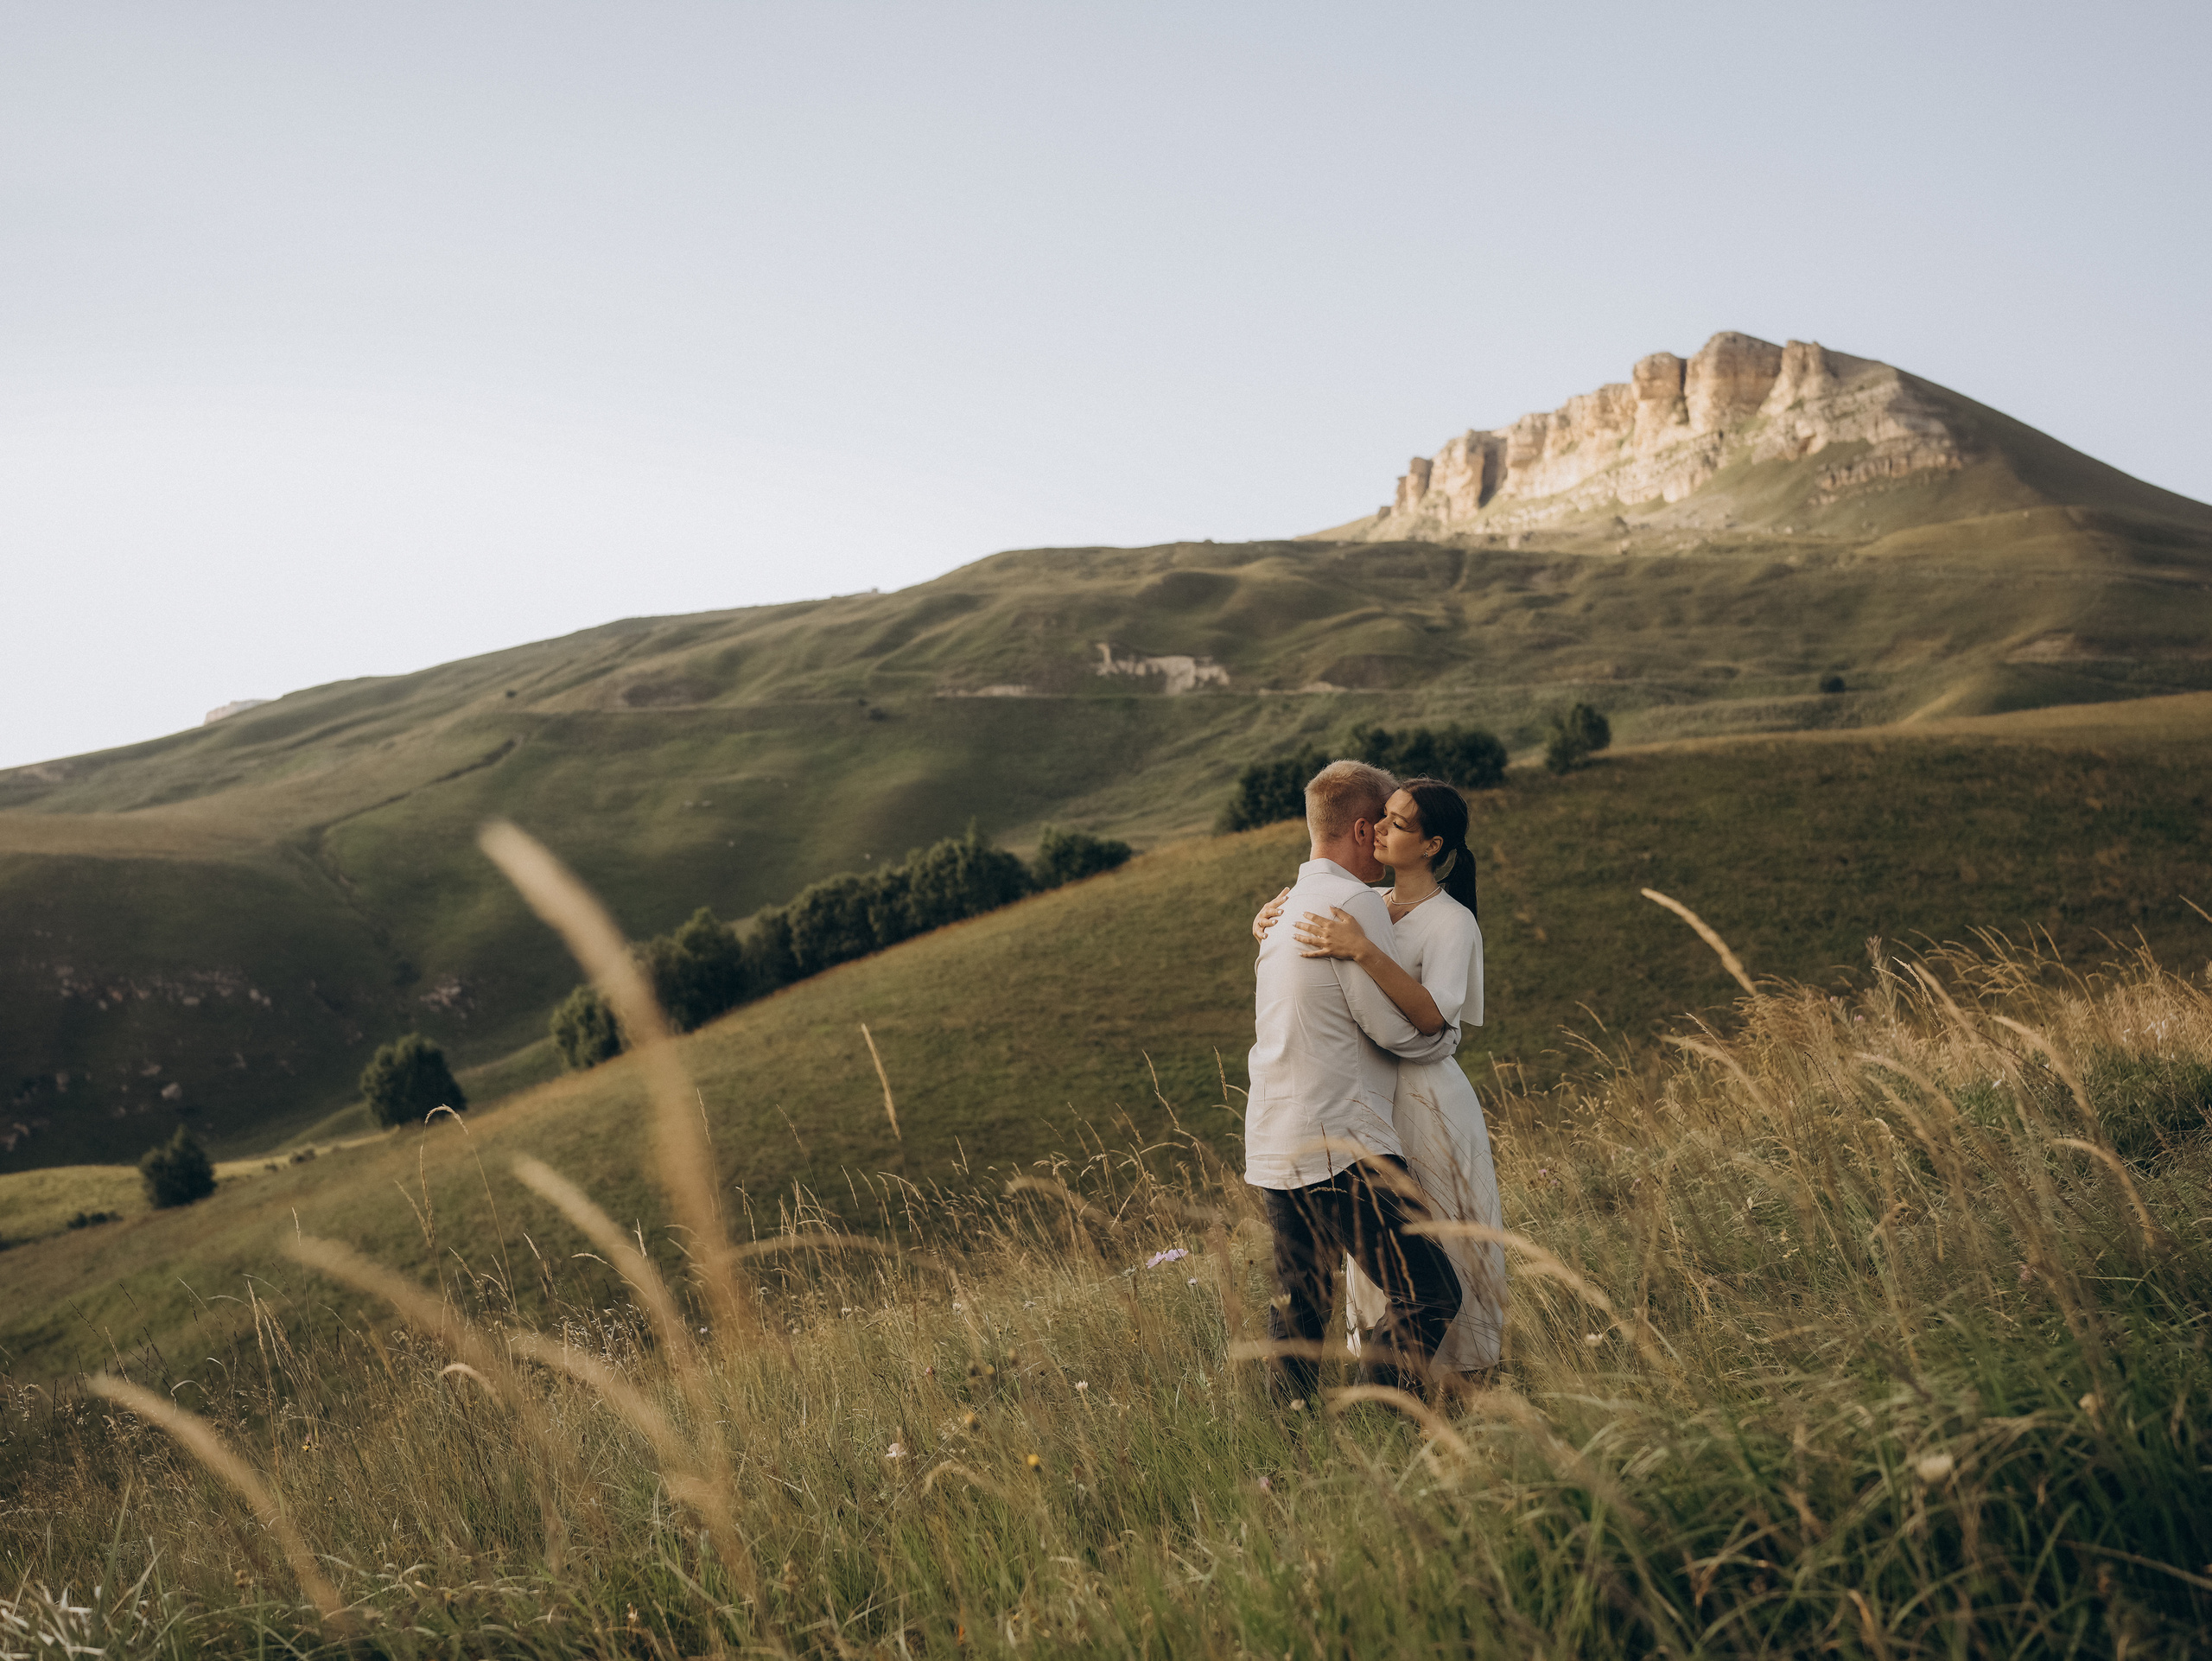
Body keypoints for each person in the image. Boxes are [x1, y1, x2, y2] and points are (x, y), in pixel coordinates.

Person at [1254, 776, 1503, 1376]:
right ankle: (1391, 1384)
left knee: (1443, 1235)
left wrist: (1362, 950)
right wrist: (1270, 929)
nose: (1382, 832)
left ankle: (1454, 1376)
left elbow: (1430, 1018)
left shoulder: (1450, 922)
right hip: (1375, 1095)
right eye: (1382, 819)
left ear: (1431, 845)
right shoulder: (1370, 904)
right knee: (1387, 1261)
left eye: (1399, 824)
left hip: (1426, 1095)